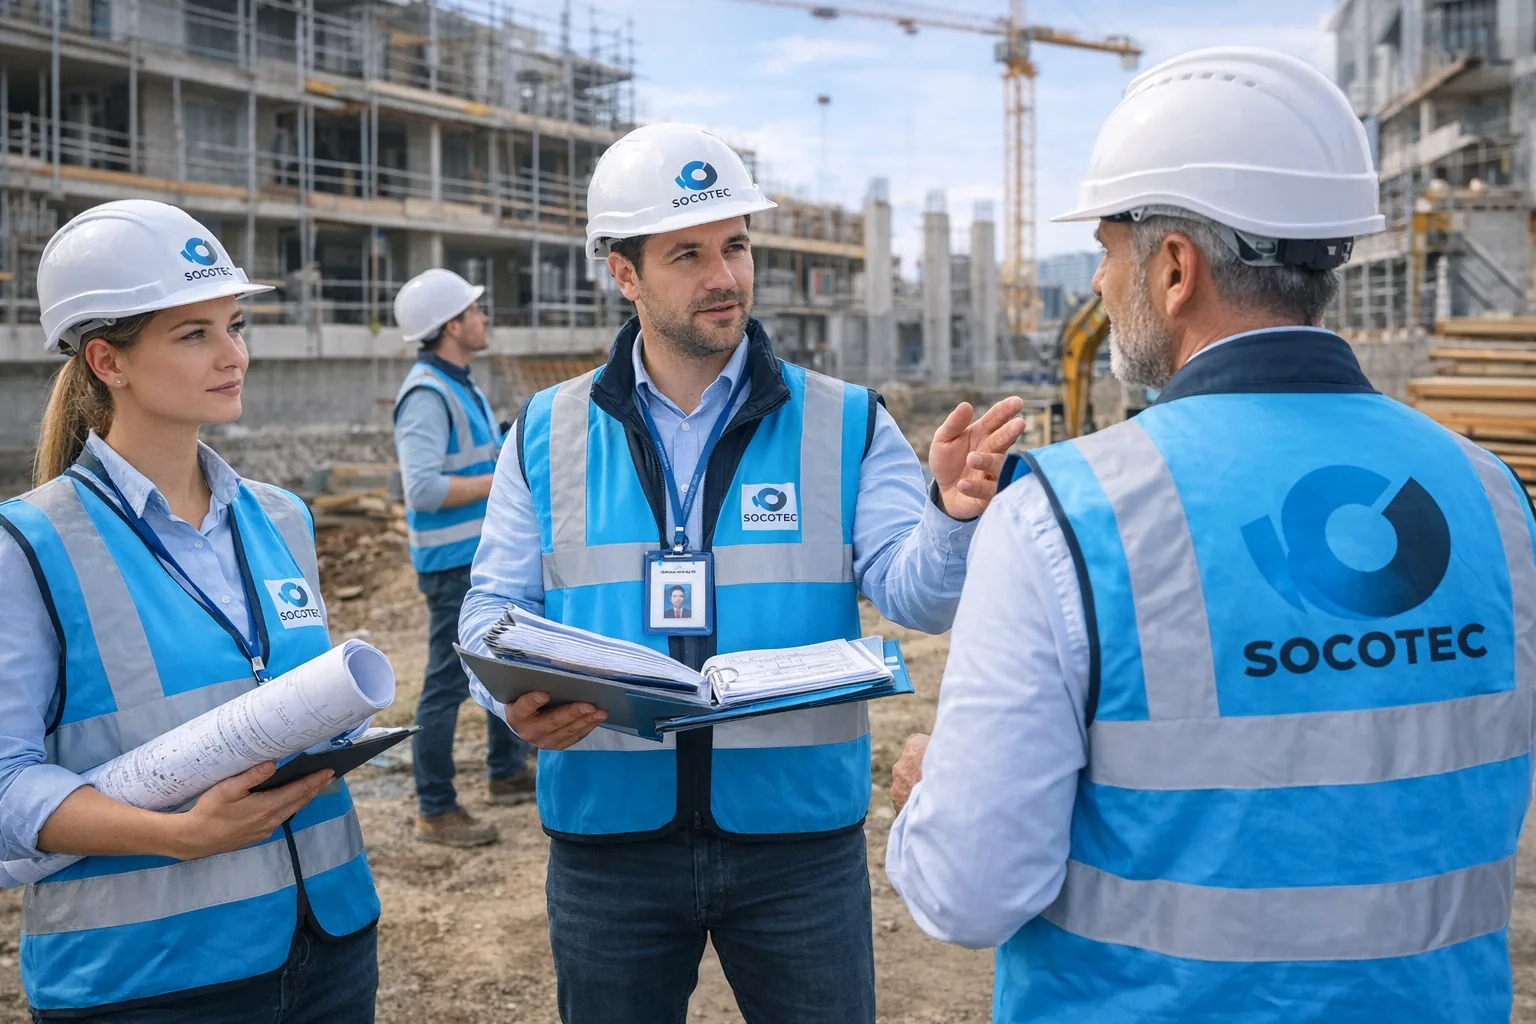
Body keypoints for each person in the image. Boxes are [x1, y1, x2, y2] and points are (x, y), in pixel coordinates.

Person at [885, 46, 1536, 1023]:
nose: (1101, 284)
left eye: (1108, 250)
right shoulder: (1493, 497)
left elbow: (969, 892)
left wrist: (934, 794)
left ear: (1176, 267)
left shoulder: (1065, 516)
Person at [458, 121, 1026, 1023]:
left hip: (797, 841)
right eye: (688, 253)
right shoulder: (546, 429)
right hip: (608, 836)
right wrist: (510, 700)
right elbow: (491, 608)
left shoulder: (846, 421)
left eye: (735, 246)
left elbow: (915, 594)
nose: (725, 277)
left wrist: (952, 515)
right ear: (625, 273)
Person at [0, 200, 380, 1020]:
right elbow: (5, 790)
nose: (234, 354)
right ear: (109, 360)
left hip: (330, 943)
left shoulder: (281, 517)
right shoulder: (25, 546)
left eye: (234, 324)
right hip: (151, 978)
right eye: (194, 333)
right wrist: (178, 835)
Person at [392, 267, 532, 847]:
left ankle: (504, 772)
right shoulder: (427, 393)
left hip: (478, 557)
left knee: (512, 662)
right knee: (449, 681)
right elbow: (422, 489)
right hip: (451, 563)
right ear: (451, 325)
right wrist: (501, 477)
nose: (484, 318)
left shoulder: (460, 382)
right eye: (475, 311)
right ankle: (436, 807)